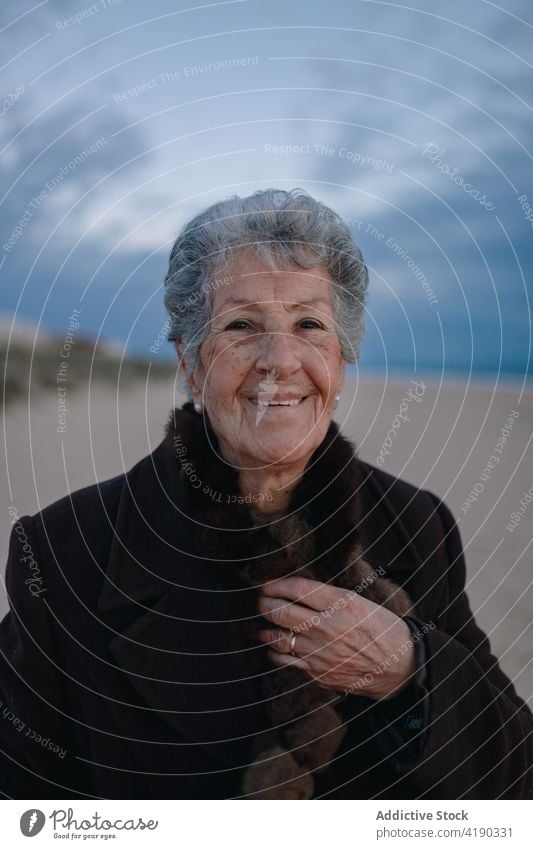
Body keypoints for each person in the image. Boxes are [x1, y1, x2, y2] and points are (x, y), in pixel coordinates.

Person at [1, 189, 531, 799]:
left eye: (309, 324)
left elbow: (512, 780)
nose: (280, 360)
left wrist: (412, 670)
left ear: (343, 353)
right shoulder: (67, 547)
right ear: (191, 361)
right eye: (241, 326)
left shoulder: (417, 523)